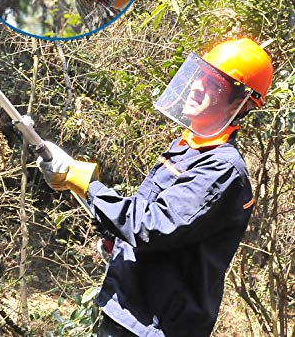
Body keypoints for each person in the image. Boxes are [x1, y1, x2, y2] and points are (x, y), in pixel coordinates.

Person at [37, 38, 273, 337]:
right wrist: (115, 239)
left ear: (238, 103)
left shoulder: (221, 169)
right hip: (127, 308)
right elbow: (151, 218)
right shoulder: (187, 146)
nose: (198, 86)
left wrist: (89, 186)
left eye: (214, 85)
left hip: (157, 325)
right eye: (200, 75)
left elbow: (151, 226)